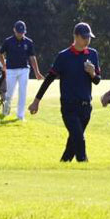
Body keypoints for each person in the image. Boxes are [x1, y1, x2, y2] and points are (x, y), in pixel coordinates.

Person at [29, 22, 101, 162]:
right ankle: (84, 165)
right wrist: (36, 101)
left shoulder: (93, 54)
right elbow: (49, 79)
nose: (87, 40)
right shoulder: (64, 56)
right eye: (84, 37)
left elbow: (97, 80)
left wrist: (92, 73)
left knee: (73, 143)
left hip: (86, 107)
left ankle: (64, 164)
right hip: (69, 107)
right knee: (79, 139)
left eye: (89, 37)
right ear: (76, 36)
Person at [0, 20, 43, 120]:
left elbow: (32, 57)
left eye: (22, 32)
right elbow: (0, 53)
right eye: (18, 32)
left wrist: (37, 72)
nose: (20, 34)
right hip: (11, 70)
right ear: (14, 30)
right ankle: (6, 110)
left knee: (22, 92)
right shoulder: (8, 41)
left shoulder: (29, 42)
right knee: (9, 93)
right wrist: (4, 65)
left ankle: (20, 116)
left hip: (24, 70)